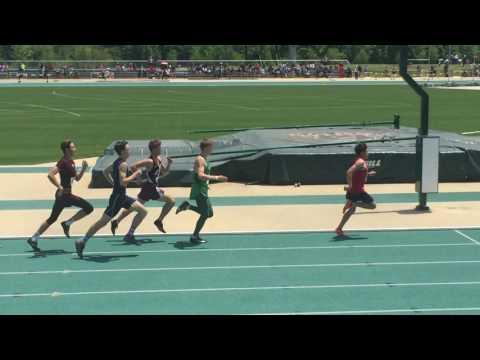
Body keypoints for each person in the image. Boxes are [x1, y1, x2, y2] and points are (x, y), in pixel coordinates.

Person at [75, 140, 147, 258]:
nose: (130, 151)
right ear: (123, 151)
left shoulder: (118, 162)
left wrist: (115, 184)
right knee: (103, 221)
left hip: (122, 196)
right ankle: (82, 241)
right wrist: (135, 175)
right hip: (117, 198)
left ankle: (129, 233)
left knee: (143, 211)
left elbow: (105, 172)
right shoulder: (122, 164)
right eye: (128, 149)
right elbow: (123, 181)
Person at [27, 140, 93, 253]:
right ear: (67, 149)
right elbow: (50, 174)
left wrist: (83, 168)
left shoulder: (71, 161)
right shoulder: (63, 162)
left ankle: (34, 238)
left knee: (52, 218)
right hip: (64, 195)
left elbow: (77, 178)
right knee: (89, 208)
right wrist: (59, 186)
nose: (75, 149)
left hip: (65, 195)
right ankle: (67, 223)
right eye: (73, 147)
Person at [110, 139, 175, 235]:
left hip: (149, 188)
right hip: (150, 189)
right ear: (153, 149)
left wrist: (169, 163)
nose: (160, 149)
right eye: (159, 148)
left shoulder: (159, 159)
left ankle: (117, 221)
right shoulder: (149, 161)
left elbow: (164, 173)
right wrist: (138, 179)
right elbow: (133, 166)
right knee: (171, 201)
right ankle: (158, 221)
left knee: (133, 207)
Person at [175, 139, 228, 244]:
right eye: (211, 147)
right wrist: (217, 177)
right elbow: (200, 175)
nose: (212, 149)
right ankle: (194, 236)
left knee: (209, 213)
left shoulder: (204, 158)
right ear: (206, 148)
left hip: (203, 189)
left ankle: (187, 206)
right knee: (205, 214)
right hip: (199, 190)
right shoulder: (200, 160)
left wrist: (206, 184)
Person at [335, 143, 377, 237]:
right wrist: (350, 186)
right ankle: (355, 203)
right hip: (357, 191)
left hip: (354, 191)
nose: (368, 153)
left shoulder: (360, 161)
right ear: (362, 152)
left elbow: (358, 174)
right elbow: (349, 172)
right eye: (366, 151)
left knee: (351, 211)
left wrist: (368, 174)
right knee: (372, 205)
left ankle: (339, 229)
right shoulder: (360, 162)